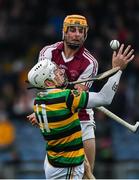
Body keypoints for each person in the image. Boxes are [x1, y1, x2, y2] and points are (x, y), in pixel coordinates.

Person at [27, 43, 134, 179]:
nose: (61, 71)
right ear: (48, 83)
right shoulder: (66, 98)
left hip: (56, 163)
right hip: (67, 166)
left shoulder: (38, 101)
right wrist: (117, 70)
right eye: (55, 72)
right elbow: (104, 98)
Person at [28, 14, 99, 172]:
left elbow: (77, 96)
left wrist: (45, 107)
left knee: (87, 174)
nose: (77, 34)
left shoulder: (90, 62)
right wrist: (42, 110)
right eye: (72, 30)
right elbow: (43, 85)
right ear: (64, 32)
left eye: (81, 31)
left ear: (85, 34)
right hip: (59, 120)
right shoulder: (48, 52)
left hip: (83, 119)